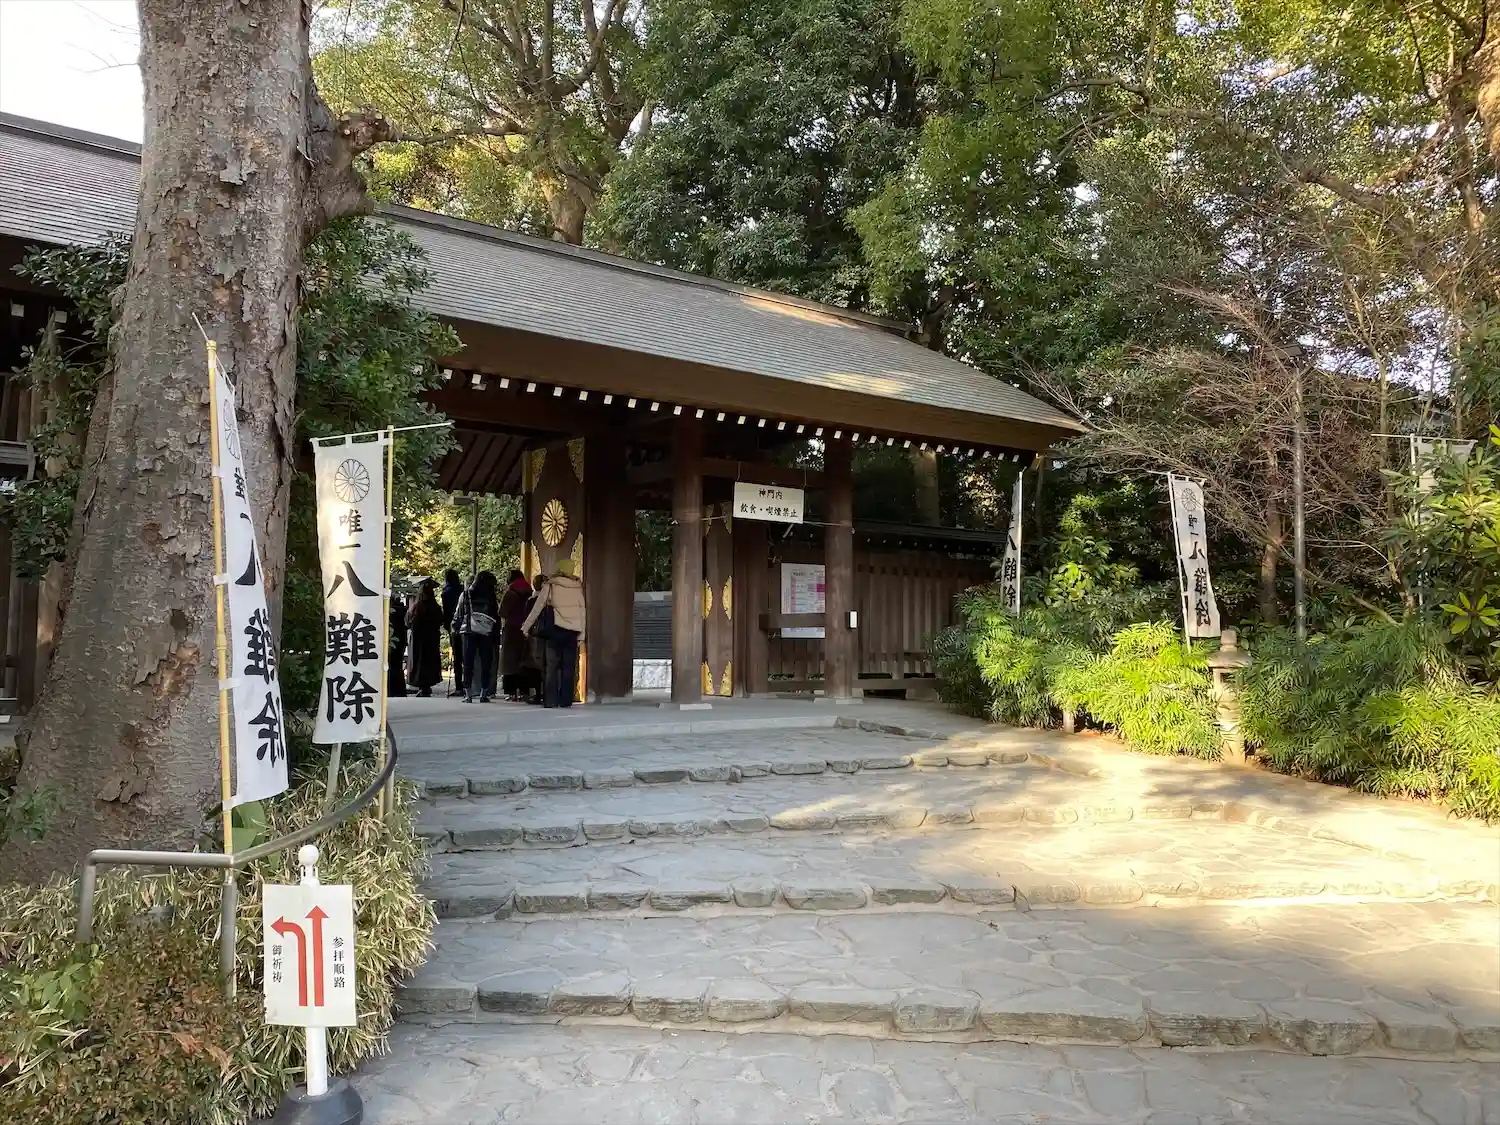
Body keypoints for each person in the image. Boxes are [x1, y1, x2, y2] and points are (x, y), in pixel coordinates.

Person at [523, 558, 586, 708]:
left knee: (551, 666)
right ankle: (566, 700)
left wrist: (526, 626)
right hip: (572, 633)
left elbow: (537, 608)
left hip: (554, 631)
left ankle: (551, 700)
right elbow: (582, 612)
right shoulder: (577, 587)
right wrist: (582, 635)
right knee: (568, 667)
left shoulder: (551, 585)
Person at [454, 570, 500, 703]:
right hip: (486, 632)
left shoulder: (466, 594)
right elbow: (495, 615)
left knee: (468, 662)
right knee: (486, 662)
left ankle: (468, 693)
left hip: (469, 630)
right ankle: (484, 692)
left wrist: (455, 627)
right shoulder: (490, 596)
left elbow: (459, 613)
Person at [405, 578, 445, 698]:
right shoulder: (435, 607)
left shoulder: (416, 607)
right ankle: (427, 686)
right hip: (432, 639)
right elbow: (440, 621)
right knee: (429, 662)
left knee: (419, 662)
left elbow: (408, 622)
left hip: (418, 639)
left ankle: (422, 686)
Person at [497, 569, 533, 701]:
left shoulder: (511, 592)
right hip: (527, 629)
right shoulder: (530, 591)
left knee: (510, 661)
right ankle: (525, 691)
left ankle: (512, 691)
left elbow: (502, 612)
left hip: (512, 629)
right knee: (524, 660)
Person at [441, 568, 464, 696]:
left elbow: (446, 612)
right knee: (466, 656)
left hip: (453, 626)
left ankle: (459, 685)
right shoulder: (462, 590)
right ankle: (468, 684)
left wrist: (447, 626)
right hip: (465, 625)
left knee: (457, 657)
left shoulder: (446, 592)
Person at [387, 596, 408, 698]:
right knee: (398, 667)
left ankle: (391, 690)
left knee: (390, 666)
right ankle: (400, 690)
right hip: (400, 642)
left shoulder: (390, 613)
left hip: (391, 641)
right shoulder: (403, 611)